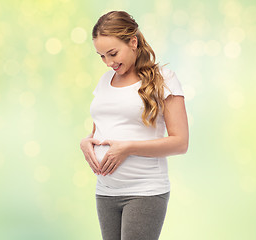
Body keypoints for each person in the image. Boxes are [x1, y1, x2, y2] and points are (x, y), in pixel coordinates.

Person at [80, 10, 189, 240]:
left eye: (112, 53)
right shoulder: (104, 82)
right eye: (101, 56)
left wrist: (127, 148)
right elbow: (100, 128)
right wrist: (86, 143)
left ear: (133, 42)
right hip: (105, 191)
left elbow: (180, 143)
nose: (108, 63)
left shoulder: (164, 78)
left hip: (144, 191)